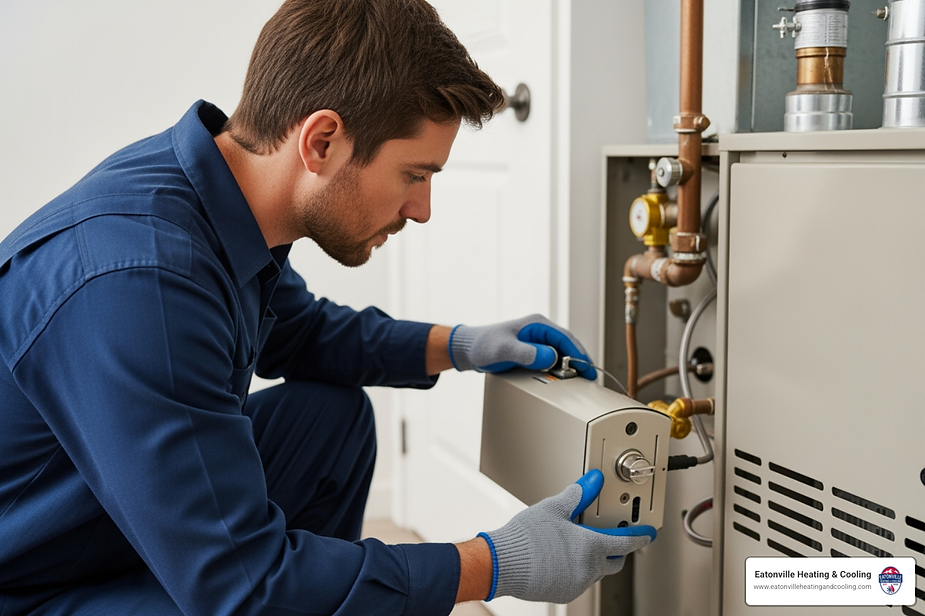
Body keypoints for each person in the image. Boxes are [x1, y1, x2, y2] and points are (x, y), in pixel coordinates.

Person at [0, 1, 655, 614]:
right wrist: (490, 564)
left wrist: (459, 346)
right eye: (415, 175)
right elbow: (243, 585)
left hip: (106, 516)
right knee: (260, 590)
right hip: (32, 582)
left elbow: (302, 332)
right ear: (321, 142)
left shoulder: (208, 195)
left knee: (329, 420)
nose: (421, 210)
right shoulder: (141, 281)